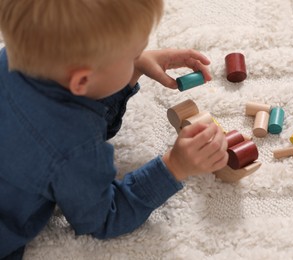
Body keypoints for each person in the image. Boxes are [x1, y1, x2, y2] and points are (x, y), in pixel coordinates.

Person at [0, 0, 229, 258]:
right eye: (133, 57)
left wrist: (134, 67)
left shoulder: (16, 55)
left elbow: (82, 98)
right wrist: (174, 166)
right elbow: (104, 218)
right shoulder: (75, 148)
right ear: (83, 80)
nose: (138, 58)